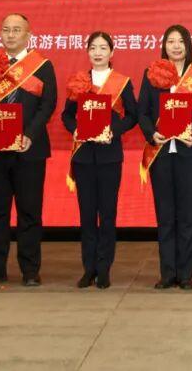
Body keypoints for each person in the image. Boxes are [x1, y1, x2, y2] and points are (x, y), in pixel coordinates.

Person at [0, 13, 56, 288]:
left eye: (16, 30)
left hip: (29, 149)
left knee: (29, 211)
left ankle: (30, 270)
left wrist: (29, 134)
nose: (10, 34)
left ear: (28, 35)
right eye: (6, 29)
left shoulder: (42, 66)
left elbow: (48, 104)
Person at [137, 25, 192, 290]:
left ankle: (185, 274)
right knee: (165, 215)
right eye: (171, 41)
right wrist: (152, 134)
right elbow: (142, 112)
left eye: (180, 41)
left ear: (188, 45)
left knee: (187, 215)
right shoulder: (151, 74)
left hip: (190, 152)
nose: (175, 46)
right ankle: (167, 273)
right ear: (164, 46)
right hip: (161, 152)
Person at [61, 32, 137, 289]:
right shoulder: (79, 81)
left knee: (107, 214)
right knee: (86, 214)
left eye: (103, 48)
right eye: (93, 48)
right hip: (83, 156)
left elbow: (133, 116)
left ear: (112, 52)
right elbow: (66, 115)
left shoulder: (122, 82)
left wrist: (113, 131)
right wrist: (74, 129)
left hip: (109, 157)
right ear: (87, 51)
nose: (98, 52)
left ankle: (104, 269)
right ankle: (88, 269)